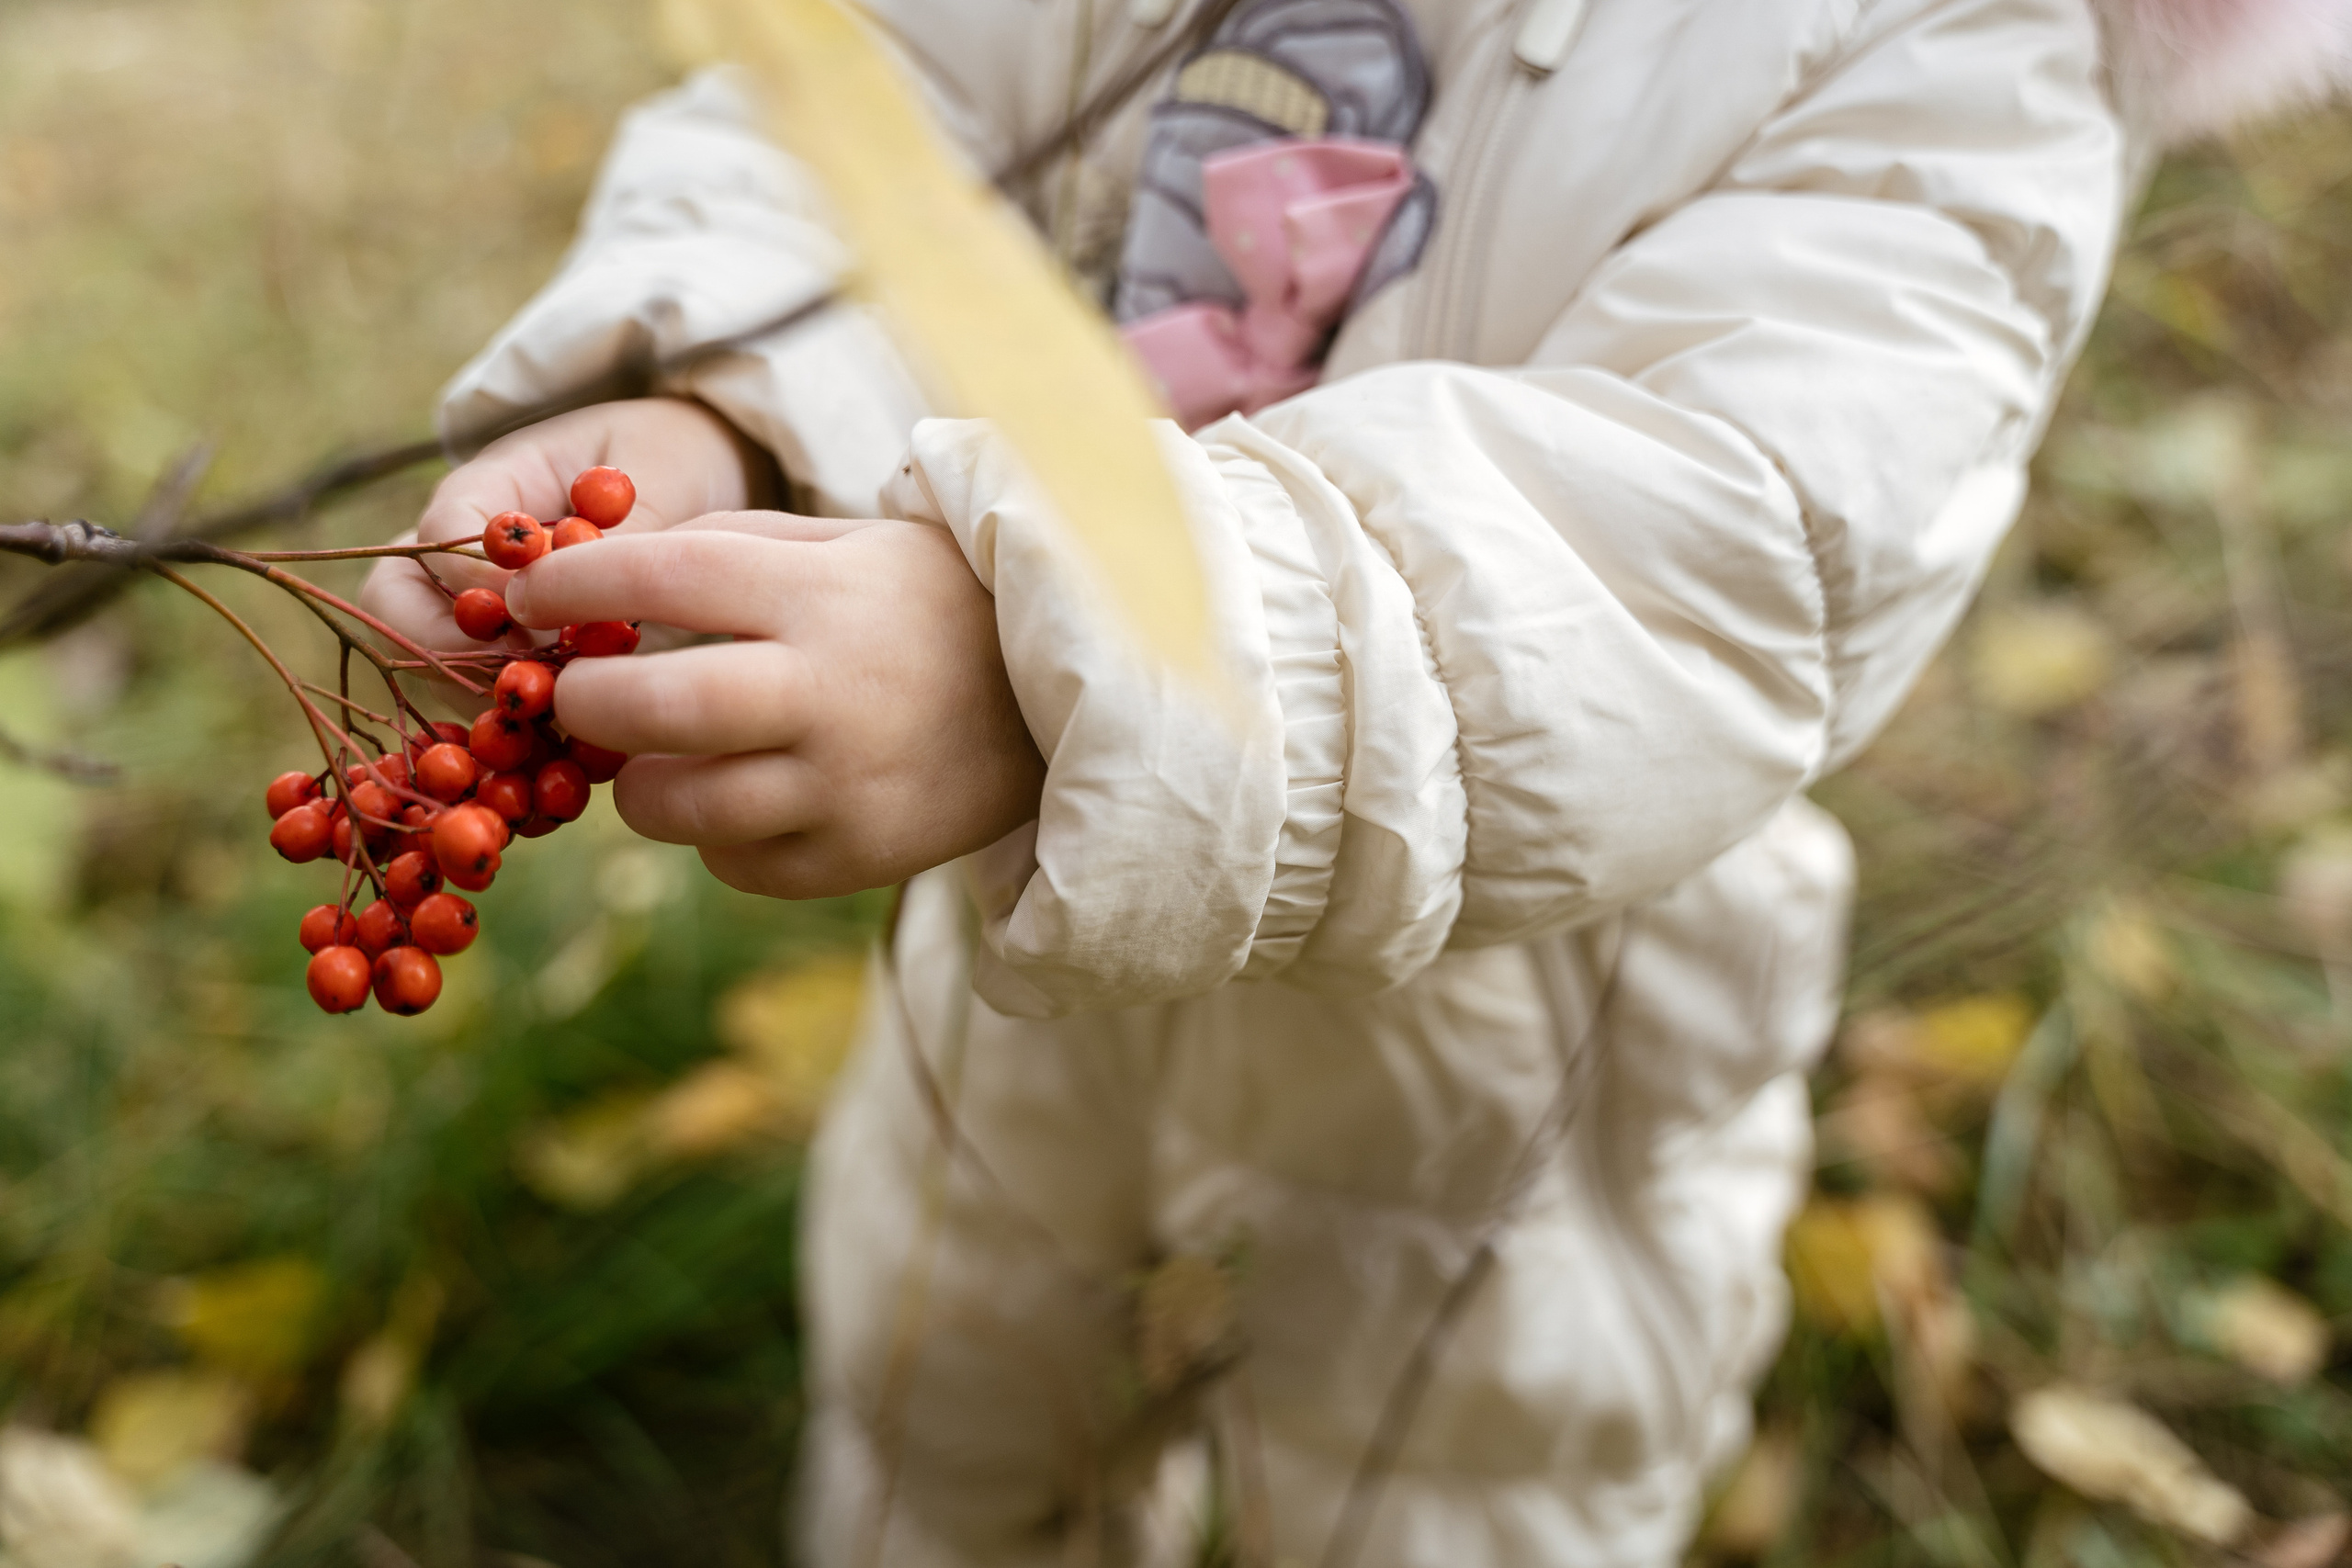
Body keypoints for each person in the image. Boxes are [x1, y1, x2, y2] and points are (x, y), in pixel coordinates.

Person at [363, 1, 2348, 1562]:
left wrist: (1044, 655)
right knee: (942, 1397)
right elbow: (871, 105)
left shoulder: (1938, 46)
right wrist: (721, 398)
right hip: (1011, 941)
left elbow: (1704, 551)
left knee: (1459, 1487)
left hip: (1521, 1043)